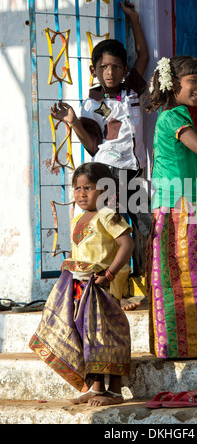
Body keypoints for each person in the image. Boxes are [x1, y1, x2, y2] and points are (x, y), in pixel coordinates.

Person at [50, 0, 150, 310]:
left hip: (137, 169)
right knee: (115, 226)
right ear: (95, 70)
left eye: (116, 66)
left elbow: (144, 55)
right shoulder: (91, 103)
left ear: (124, 68)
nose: (110, 72)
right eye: (104, 67)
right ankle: (114, 291)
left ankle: (144, 284)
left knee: (145, 225)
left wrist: (133, 18)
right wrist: (74, 123)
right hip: (109, 172)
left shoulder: (132, 86)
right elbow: (93, 147)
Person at [29, 162, 135, 406]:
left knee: (109, 335)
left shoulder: (108, 216)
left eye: (88, 188)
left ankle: (115, 392)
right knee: (88, 337)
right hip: (80, 289)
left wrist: (108, 275)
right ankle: (96, 388)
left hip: (102, 288)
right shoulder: (77, 218)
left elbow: (126, 245)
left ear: (105, 190)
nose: (81, 193)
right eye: (77, 188)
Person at [145, 56, 197, 359]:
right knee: (192, 275)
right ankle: (184, 345)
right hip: (180, 207)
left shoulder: (178, 115)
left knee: (187, 276)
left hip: (183, 203)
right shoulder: (174, 117)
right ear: (173, 84)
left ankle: (186, 345)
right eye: (193, 80)